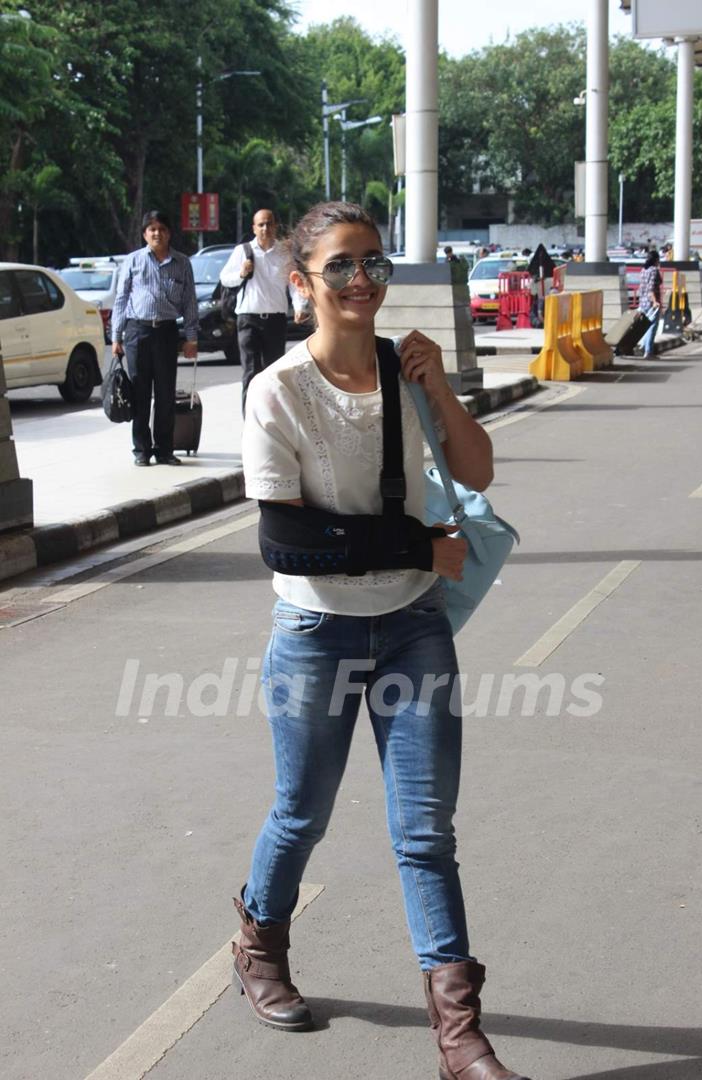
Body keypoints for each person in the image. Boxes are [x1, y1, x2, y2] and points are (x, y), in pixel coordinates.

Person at [235, 201, 531, 1080]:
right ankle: (258, 942)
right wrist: (415, 545)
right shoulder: (277, 390)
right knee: (301, 812)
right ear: (302, 284)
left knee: (425, 833)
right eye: (341, 267)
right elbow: (285, 542)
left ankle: (459, 1037)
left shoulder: (406, 373)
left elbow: (475, 472)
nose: (362, 280)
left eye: (374, 263)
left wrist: (437, 385)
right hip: (315, 631)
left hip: (412, 628)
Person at [111, 210, 198, 466]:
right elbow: (121, 299)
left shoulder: (182, 263)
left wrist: (191, 337)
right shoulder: (133, 261)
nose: (157, 233)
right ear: (144, 234)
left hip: (167, 332)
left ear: (169, 233)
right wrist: (116, 336)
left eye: (161, 229)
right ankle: (141, 450)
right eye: (152, 229)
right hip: (138, 333)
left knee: (165, 394)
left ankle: (164, 450)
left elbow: (190, 302)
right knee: (140, 392)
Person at [220, 208, 304, 415]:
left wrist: (299, 306)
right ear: (254, 228)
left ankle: (272, 420)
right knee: (250, 372)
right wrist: (241, 273)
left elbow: (294, 283)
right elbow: (225, 278)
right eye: (261, 225)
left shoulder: (284, 253)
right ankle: (250, 420)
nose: (265, 228)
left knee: (273, 373)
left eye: (269, 224)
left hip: (275, 321)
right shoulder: (243, 251)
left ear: (275, 226)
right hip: (248, 319)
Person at [637, 250, 663, 358]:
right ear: (656, 260)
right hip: (651, 303)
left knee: (645, 326)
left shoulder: (643, 270)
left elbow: (644, 287)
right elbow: (651, 288)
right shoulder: (653, 270)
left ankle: (643, 347)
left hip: (642, 302)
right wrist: (655, 301)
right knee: (652, 326)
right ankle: (648, 351)